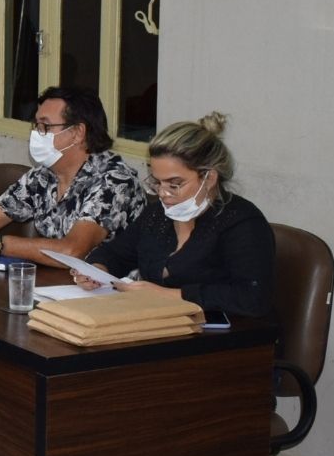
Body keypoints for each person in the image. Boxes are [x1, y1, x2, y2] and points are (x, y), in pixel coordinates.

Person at [75, 113, 275, 317]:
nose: (163, 193)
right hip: (160, 323)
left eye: (174, 185)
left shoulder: (242, 223)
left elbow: (252, 298)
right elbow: (115, 253)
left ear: (209, 178)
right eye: (157, 182)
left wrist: (166, 295)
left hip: (227, 332)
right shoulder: (157, 215)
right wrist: (96, 270)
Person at [0, 86, 144, 264]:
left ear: (78, 133)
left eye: (45, 126)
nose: (36, 134)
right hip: (56, 285)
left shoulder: (114, 181)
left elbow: (72, 251)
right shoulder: (43, 176)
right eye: (36, 125)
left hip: (113, 293)